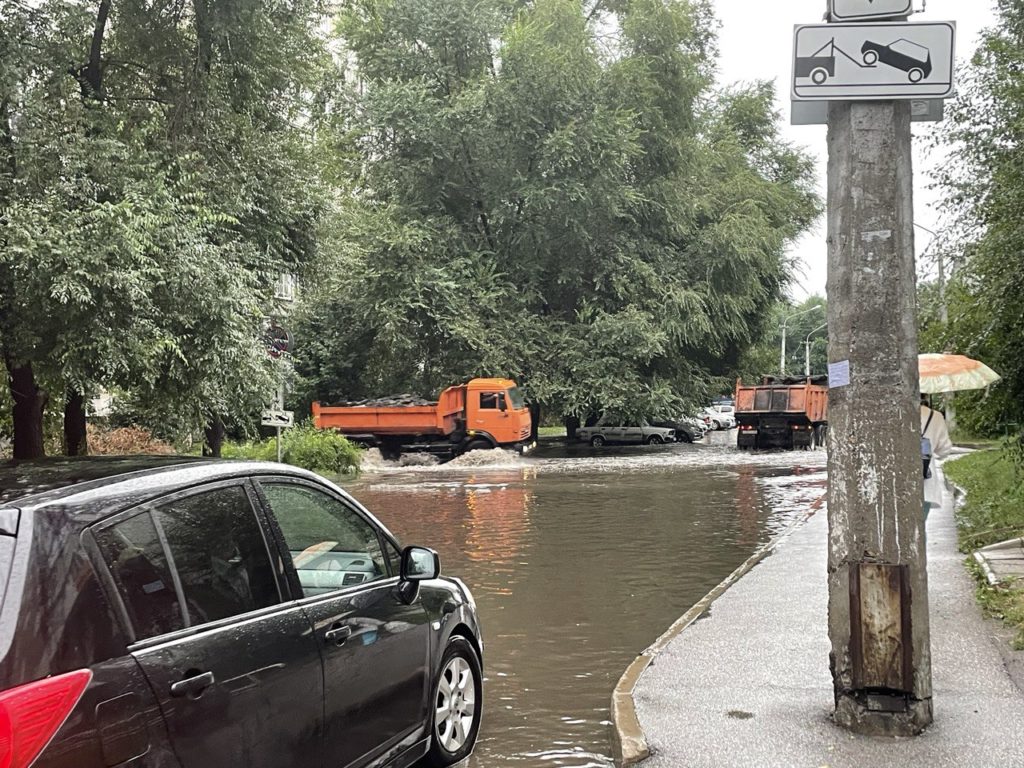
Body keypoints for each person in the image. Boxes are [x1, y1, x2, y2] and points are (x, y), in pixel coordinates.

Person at [921, 396, 953, 519]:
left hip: (894, 483)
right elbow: (944, 450)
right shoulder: (935, 416)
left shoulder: (892, 413)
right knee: (920, 529)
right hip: (925, 483)